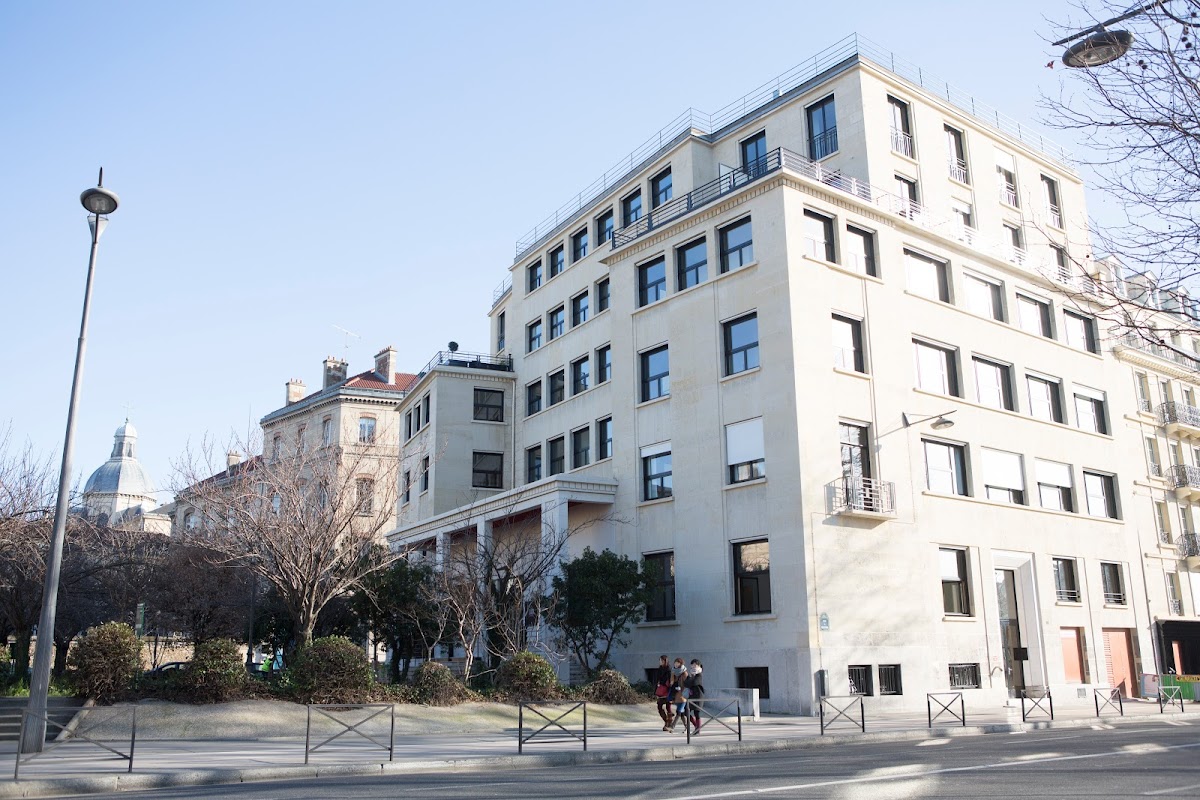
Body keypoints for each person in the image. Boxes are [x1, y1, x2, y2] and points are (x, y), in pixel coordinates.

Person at [668, 658, 688, 732]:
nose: (676, 664)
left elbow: (687, 684)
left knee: (679, 712)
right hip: (676, 695)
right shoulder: (673, 671)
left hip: (683, 695)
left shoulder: (684, 673)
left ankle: (672, 727)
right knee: (681, 713)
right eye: (675, 663)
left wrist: (681, 688)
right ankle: (687, 727)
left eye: (678, 663)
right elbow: (671, 682)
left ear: (681, 664)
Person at [653, 655, 673, 731]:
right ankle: (666, 721)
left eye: (661, 661)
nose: (660, 662)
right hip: (661, 690)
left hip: (667, 690)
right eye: (660, 660)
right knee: (659, 706)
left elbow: (668, 680)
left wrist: (662, 683)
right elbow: (657, 679)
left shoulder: (669, 669)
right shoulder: (660, 669)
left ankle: (669, 723)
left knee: (668, 707)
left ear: (665, 661)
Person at [686, 660, 705, 732]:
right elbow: (686, 684)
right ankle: (696, 726)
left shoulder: (699, 675)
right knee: (686, 711)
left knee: (696, 713)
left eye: (695, 665)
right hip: (692, 696)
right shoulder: (692, 675)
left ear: (699, 666)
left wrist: (690, 679)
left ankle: (698, 729)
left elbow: (694, 683)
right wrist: (690, 678)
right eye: (692, 665)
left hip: (698, 696)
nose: (693, 667)